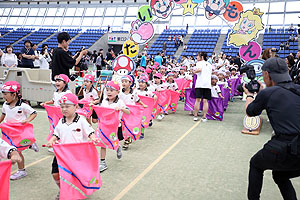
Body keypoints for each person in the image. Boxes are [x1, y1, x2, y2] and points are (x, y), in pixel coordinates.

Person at [244, 57, 300, 200]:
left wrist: (250, 95)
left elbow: (250, 112)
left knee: (255, 164)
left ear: (267, 75)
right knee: (280, 175)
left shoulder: (267, 93)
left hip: (283, 147)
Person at [46, 93, 99, 200]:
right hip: (62, 153)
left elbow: (90, 132)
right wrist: (51, 141)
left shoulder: (81, 120)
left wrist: (93, 138)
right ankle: (63, 189)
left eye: (67, 106)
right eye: (62, 107)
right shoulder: (61, 121)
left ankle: (80, 190)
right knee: (55, 173)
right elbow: (56, 134)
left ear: (76, 106)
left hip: (78, 155)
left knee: (78, 175)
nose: (64, 109)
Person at [0, 81, 38, 180]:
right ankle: (30, 144)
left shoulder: (23, 105)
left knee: (16, 150)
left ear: (14, 94)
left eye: (5, 94)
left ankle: (22, 171)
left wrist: (27, 120)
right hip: (9, 130)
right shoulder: (5, 105)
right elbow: (3, 115)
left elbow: (34, 113)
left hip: (20, 130)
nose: (3, 96)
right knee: (12, 148)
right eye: (2, 93)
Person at [98, 81, 130, 172]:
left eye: (112, 90)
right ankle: (102, 162)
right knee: (102, 144)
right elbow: (100, 110)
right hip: (104, 126)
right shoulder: (104, 101)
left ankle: (117, 147)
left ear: (117, 92)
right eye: (107, 90)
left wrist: (121, 108)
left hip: (115, 127)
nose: (109, 92)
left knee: (114, 141)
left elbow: (128, 111)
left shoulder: (119, 102)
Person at [193, 52, 212, 122]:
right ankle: (204, 117)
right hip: (207, 85)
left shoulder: (199, 63)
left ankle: (195, 115)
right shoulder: (210, 64)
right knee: (205, 101)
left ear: (202, 57)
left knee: (198, 100)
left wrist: (193, 71)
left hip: (200, 84)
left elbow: (199, 70)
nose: (197, 57)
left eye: (198, 56)